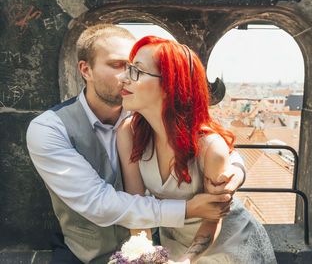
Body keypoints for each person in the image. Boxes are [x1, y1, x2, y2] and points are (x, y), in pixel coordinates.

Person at [26, 24, 246, 264]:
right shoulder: (48, 128)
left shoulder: (143, 111)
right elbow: (99, 203)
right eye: (117, 65)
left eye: (133, 68)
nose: (125, 77)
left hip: (166, 247)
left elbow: (205, 137)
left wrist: (235, 169)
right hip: (88, 253)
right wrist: (187, 209)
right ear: (85, 70)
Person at [117, 36, 277, 263]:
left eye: (137, 71)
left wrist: (186, 261)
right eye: (128, 68)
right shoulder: (128, 133)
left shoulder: (211, 148)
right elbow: (137, 207)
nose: (123, 78)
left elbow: (213, 219)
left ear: (168, 85)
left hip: (226, 249)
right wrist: (144, 256)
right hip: (173, 244)